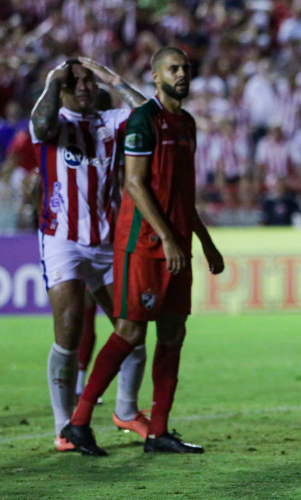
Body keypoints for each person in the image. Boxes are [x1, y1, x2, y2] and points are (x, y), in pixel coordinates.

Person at [61, 47, 225, 456]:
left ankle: (159, 431)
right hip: (143, 246)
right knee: (130, 331)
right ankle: (78, 422)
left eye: (186, 68)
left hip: (179, 247)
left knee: (174, 333)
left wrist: (204, 240)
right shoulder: (143, 119)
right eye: (173, 69)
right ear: (155, 77)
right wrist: (169, 238)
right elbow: (134, 184)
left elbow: (183, 194)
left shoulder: (186, 122)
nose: (182, 74)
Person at [29, 57, 150, 451]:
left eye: (87, 80)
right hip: (62, 239)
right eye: (75, 81)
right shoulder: (52, 122)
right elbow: (43, 123)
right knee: (68, 330)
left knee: (131, 327)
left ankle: (127, 411)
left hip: (106, 241)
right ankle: (65, 426)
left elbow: (148, 114)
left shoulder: (109, 121)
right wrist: (53, 79)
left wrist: (110, 77)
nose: (83, 85)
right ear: (62, 87)